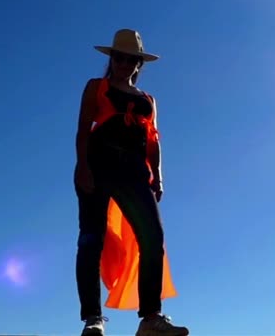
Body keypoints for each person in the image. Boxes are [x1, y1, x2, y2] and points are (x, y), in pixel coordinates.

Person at [73, 28, 189, 336]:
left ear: (139, 64)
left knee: (152, 237)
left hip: (136, 172)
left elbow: (154, 141)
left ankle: (150, 318)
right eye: (119, 57)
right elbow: (84, 128)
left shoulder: (148, 99)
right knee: (91, 240)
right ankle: (93, 319)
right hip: (99, 165)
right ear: (112, 59)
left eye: (131, 59)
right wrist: (82, 166)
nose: (125, 63)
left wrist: (158, 176)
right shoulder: (96, 87)